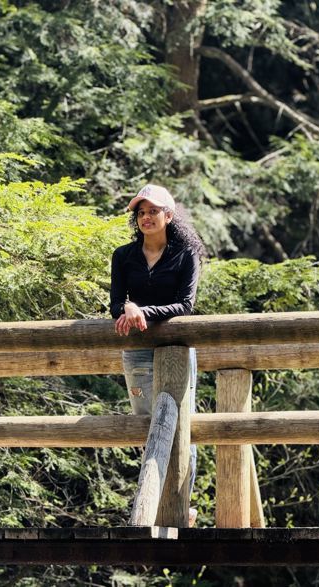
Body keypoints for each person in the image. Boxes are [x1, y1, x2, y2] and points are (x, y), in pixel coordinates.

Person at [110, 183, 205, 527]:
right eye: (141, 212)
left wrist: (142, 311)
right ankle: (159, 503)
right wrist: (127, 307)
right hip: (136, 352)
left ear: (169, 215)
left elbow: (185, 305)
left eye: (153, 211)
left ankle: (180, 507)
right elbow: (115, 305)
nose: (146, 217)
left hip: (177, 351)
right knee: (147, 428)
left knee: (181, 426)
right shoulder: (123, 256)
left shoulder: (186, 254)